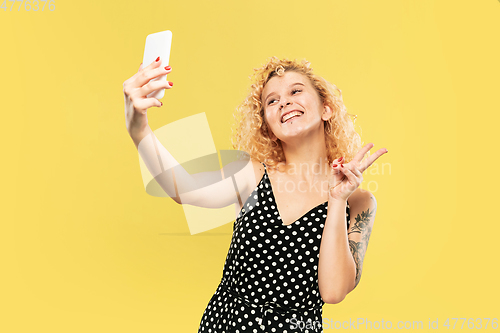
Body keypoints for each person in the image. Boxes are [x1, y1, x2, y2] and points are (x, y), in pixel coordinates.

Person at [123, 56, 388, 332]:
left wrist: (337, 199)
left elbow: (333, 292)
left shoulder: (358, 202)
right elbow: (183, 188)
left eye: (296, 91)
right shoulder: (252, 175)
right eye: (272, 101)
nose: (284, 101)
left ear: (326, 109)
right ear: (270, 130)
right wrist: (139, 128)